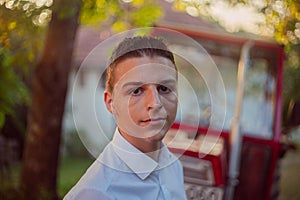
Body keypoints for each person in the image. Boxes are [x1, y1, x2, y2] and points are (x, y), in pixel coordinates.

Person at [64, 36, 187, 200]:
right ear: (110, 103)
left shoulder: (174, 166)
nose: (155, 103)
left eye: (164, 88)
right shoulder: (96, 194)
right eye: (136, 91)